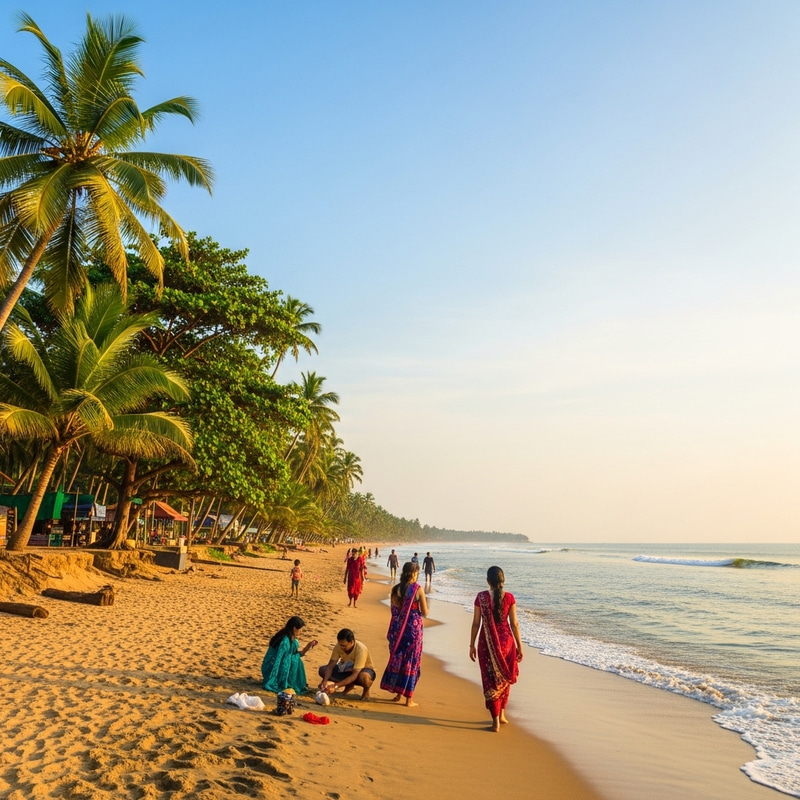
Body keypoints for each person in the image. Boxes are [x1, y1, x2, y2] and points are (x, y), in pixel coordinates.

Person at [469, 566, 523, 732]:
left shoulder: (481, 597)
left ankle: (495, 722)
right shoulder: (509, 598)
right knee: (504, 679)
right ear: (503, 580)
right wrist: (519, 645)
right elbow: (514, 624)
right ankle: (502, 715)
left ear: (488, 581)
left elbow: (476, 623)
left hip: (487, 643)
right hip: (507, 643)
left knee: (490, 680)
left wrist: (471, 644)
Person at [380, 561, 428, 707]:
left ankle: (398, 693)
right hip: (412, 630)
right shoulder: (417, 589)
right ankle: (409, 699)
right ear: (413, 574)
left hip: (397, 629)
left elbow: (394, 611)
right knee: (411, 661)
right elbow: (425, 612)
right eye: (417, 573)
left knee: (399, 659)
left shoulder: (395, 589)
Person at [261, 616, 318, 694]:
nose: (301, 631)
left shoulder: (290, 638)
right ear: (295, 628)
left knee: (296, 659)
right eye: (301, 629)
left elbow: (295, 654)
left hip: (275, 664)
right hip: (271, 667)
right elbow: (281, 660)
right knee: (296, 660)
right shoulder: (285, 641)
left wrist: (308, 647)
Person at [318, 628, 376, 700]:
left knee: (364, 677)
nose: (341, 648)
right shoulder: (338, 646)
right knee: (323, 670)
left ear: (351, 642)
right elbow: (331, 665)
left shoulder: (361, 649)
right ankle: (348, 685)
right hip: (346, 668)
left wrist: (336, 686)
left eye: (344, 646)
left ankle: (366, 690)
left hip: (362, 671)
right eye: (340, 645)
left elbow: (355, 674)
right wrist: (325, 681)